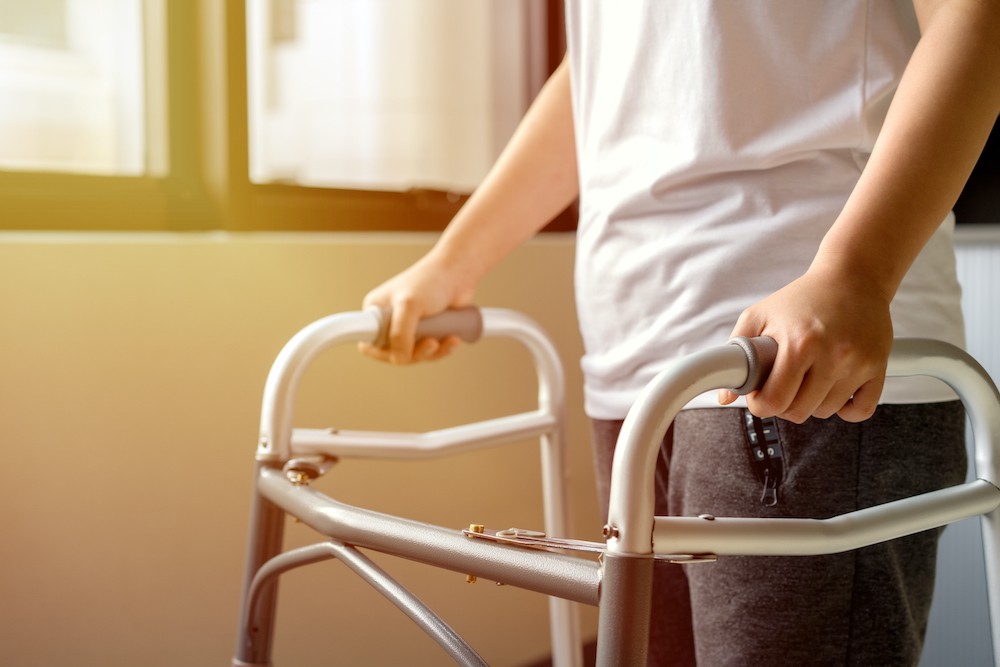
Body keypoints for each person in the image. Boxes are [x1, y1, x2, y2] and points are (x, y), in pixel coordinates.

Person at [361, 1, 1000, 664]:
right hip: (631, 366)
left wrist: (856, 271)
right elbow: (610, 72)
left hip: (798, 357)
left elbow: (973, 16)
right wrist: (451, 264)